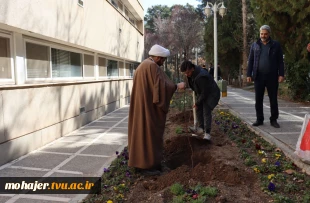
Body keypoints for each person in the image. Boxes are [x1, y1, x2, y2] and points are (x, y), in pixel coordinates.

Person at [128, 44, 185, 175]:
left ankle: (140, 164)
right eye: (163, 60)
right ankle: (147, 166)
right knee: (149, 134)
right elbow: (162, 87)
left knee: (140, 134)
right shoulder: (152, 67)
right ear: (158, 57)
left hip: (141, 107)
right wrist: (177, 86)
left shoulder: (142, 65)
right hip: (148, 110)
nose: (163, 63)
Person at [247, 25, 284, 128]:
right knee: (258, 99)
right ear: (259, 34)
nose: (263, 36)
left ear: (269, 34)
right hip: (258, 76)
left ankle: (274, 119)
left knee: (273, 99)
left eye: (265, 34)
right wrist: (249, 74)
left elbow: (280, 61)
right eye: (261, 34)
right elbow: (251, 60)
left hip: (272, 76)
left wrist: (281, 74)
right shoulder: (255, 45)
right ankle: (259, 119)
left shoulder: (275, 45)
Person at [180, 60, 220, 140]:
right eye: (185, 73)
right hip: (203, 92)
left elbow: (205, 93)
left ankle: (207, 133)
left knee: (206, 110)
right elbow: (195, 87)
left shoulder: (201, 76)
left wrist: (197, 103)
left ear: (192, 69)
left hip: (211, 94)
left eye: (187, 72)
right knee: (198, 109)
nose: (186, 74)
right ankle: (201, 129)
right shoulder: (191, 74)